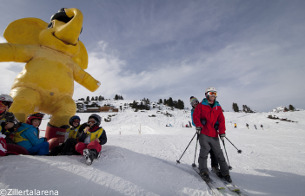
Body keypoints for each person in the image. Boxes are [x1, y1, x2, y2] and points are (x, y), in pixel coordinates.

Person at [193, 87, 232, 183]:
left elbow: (221, 120)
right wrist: (198, 125)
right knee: (204, 152)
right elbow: (196, 116)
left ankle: (225, 173)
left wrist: (222, 131)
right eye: (211, 93)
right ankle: (203, 171)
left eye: (215, 93)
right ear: (207, 94)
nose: (213, 95)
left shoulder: (218, 107)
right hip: (204, 133)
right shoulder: (201, 105)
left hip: (214, 134)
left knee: (219, 154)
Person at [190, 96, 220, 173]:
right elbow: (193, 122)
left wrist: (216, 124)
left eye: (196, 102)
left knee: (213, 149)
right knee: (205, 149)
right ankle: (203, 167)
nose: (195, 104)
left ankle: (215, 166)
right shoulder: (193, 111)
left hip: (211, 130)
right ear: (191, 104)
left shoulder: (203, 107)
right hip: (202, 132)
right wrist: (199, 123)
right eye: (193, 103)